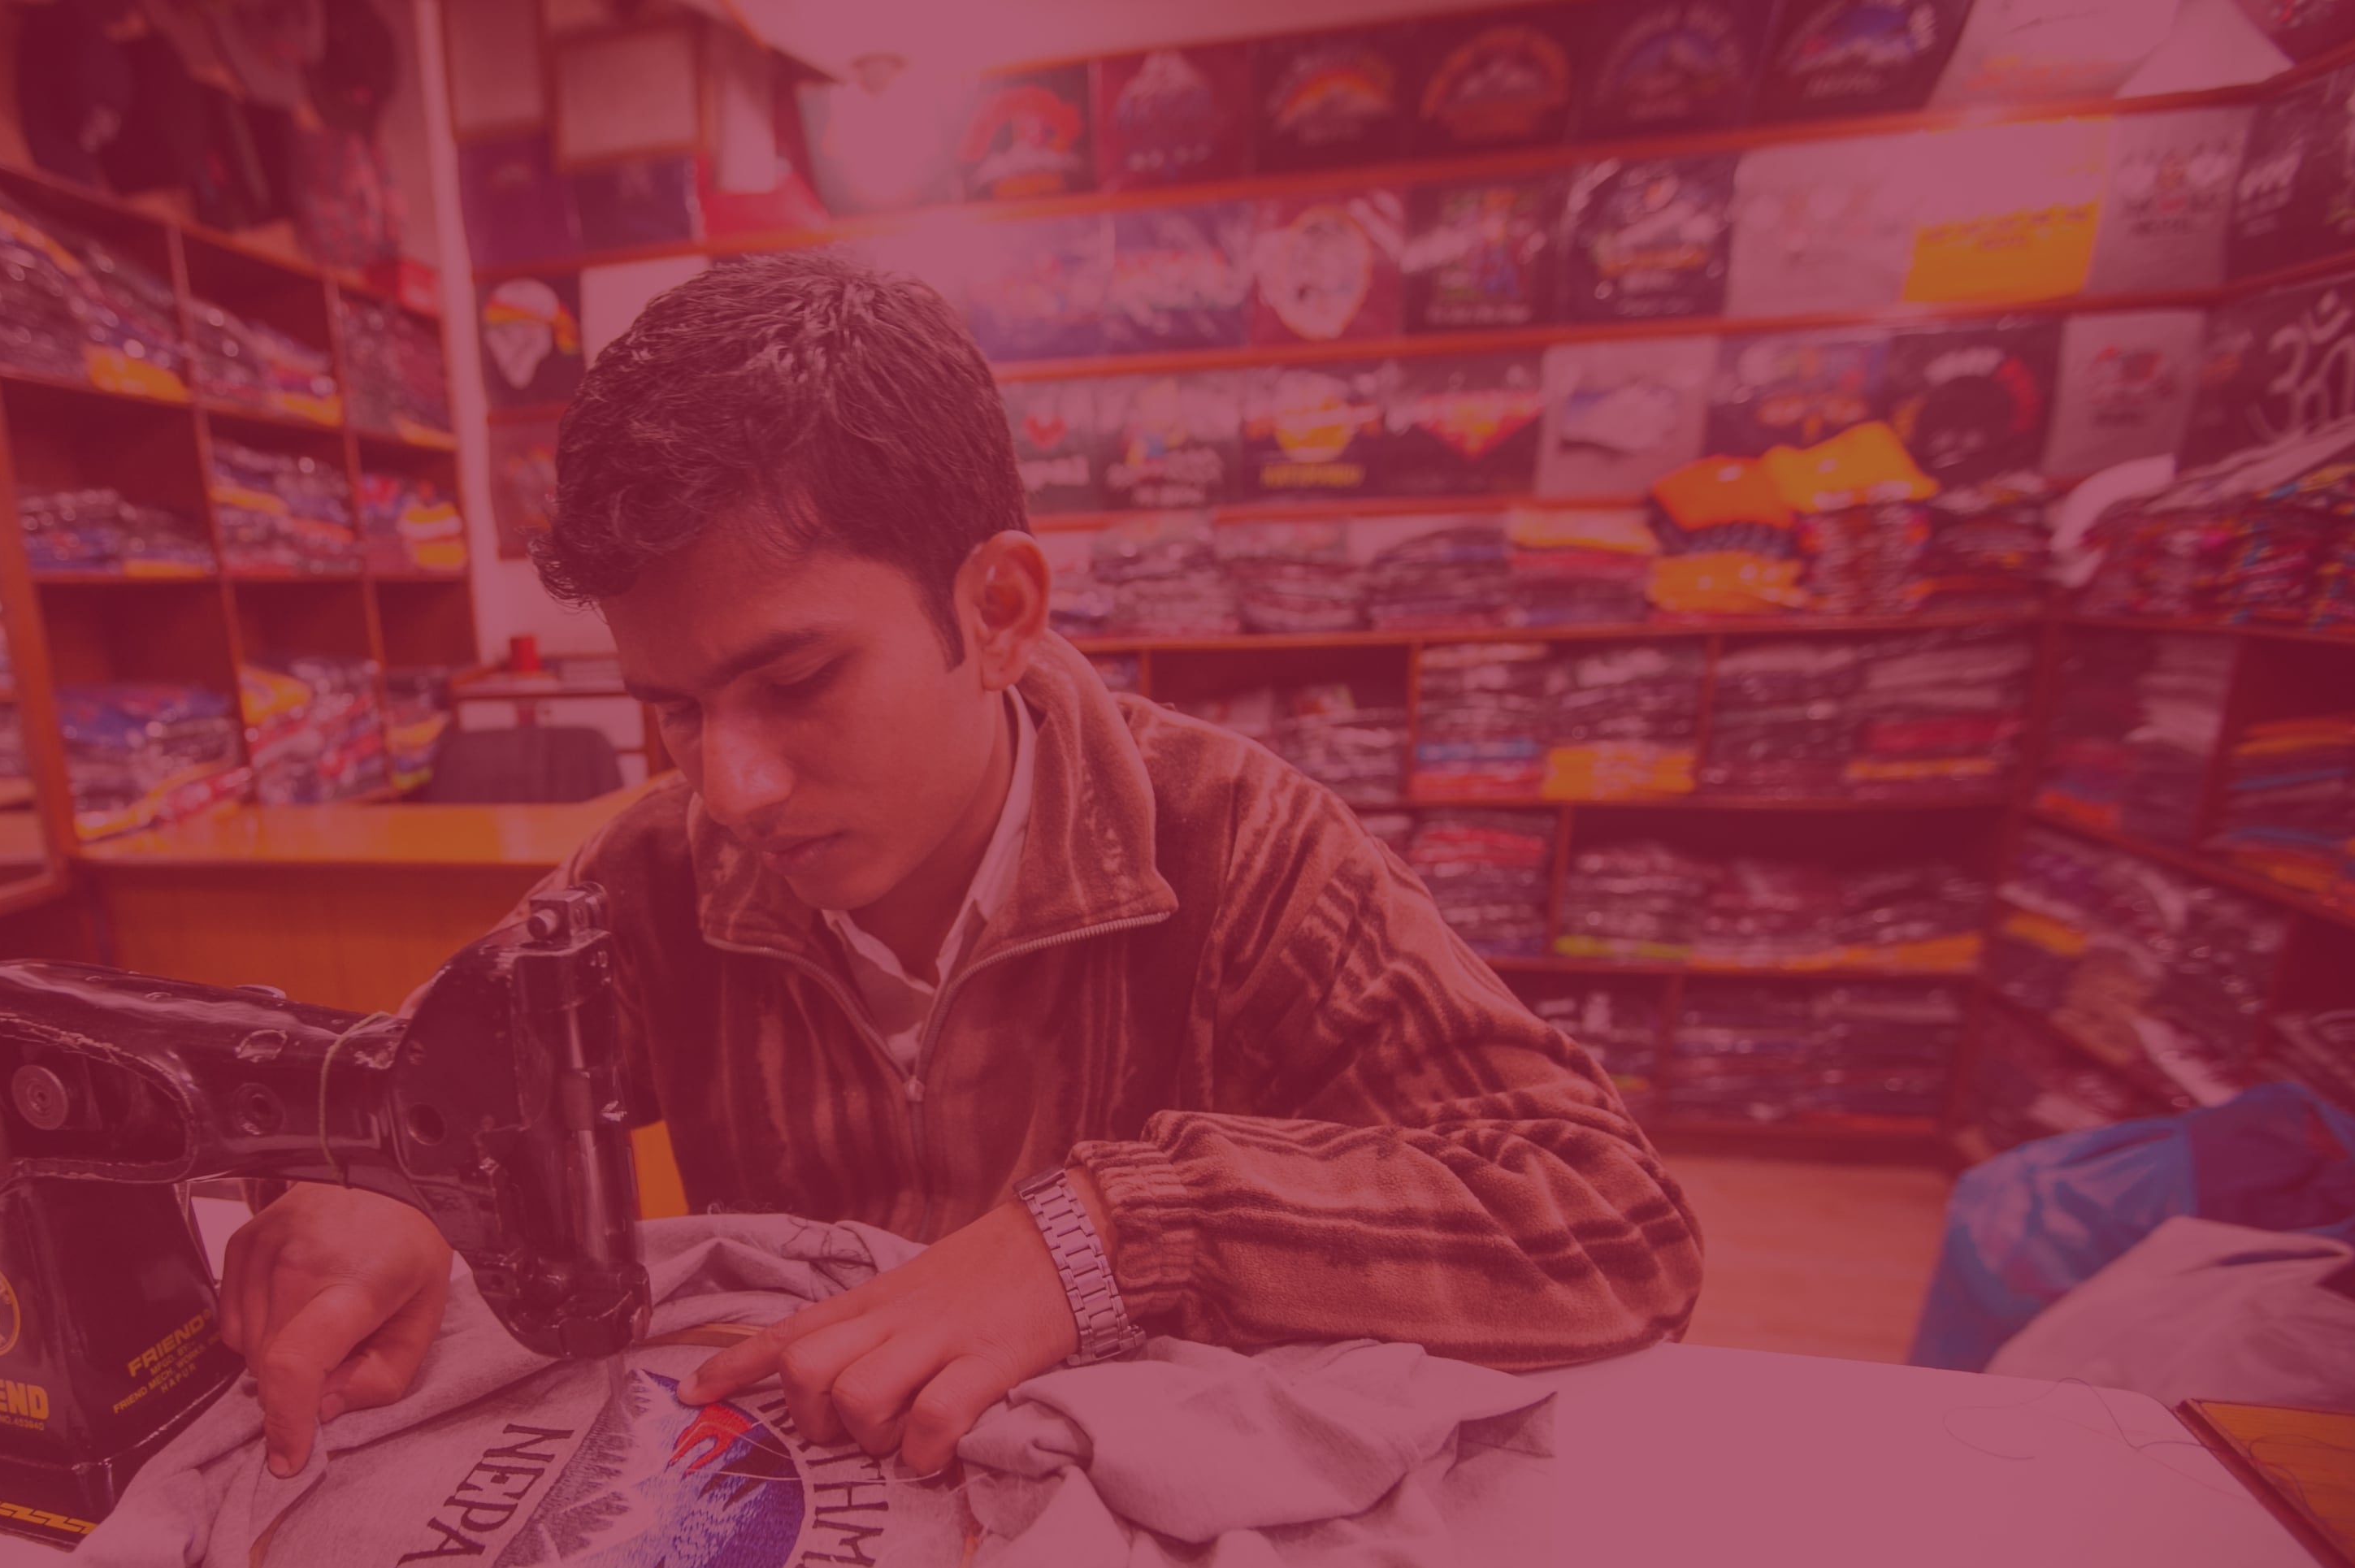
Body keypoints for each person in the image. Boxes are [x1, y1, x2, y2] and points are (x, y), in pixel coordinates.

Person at [218, 253, 1702, 1480]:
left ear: (994, 607)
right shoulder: (654, 876)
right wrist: (390, 1195)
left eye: (796, 679)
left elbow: (1607, 1223)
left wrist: (1103, 1238)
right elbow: (429, 1082)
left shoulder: (1233, 841)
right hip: (807, 1562)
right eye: (672, 708)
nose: (728, 785)